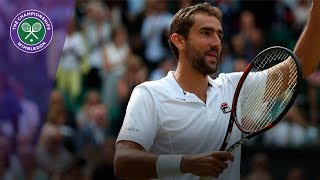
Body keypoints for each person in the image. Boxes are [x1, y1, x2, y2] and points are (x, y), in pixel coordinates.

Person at [114, 1, 320, 179]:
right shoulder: (149, 94)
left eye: (219, 35)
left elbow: (301, 65)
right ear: (179, 41)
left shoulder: (234, 87)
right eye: (205, 33)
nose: (216, 43)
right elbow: (123, 161)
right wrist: (185, 163)